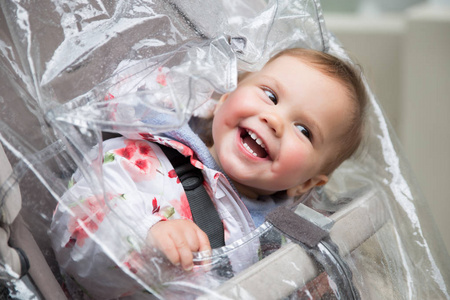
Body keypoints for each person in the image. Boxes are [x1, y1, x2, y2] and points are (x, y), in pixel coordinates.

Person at [50, 48, 367, 299]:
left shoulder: (283, 236)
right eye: (270, 96)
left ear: (308, 183)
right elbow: (73, 227)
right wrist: (146, 238)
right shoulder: (141, 159)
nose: (274, 120)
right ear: (224, 100)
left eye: (303, 130)